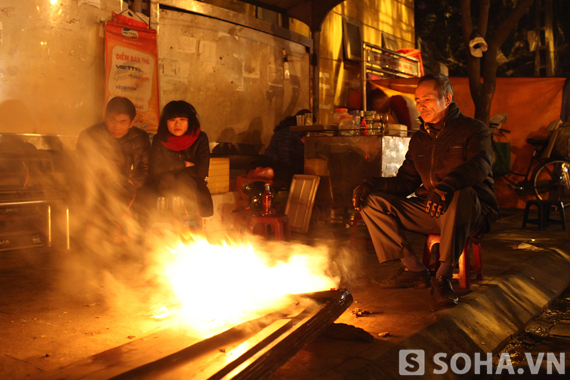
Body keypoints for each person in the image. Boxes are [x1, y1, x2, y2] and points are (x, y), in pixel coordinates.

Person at [353, 74, 499, 307]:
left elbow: (481, 165)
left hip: (472, 212)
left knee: (460, 192)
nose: (421, 105)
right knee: (371, 201)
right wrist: (373, 184)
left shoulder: (473, 130)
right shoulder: (419, 139)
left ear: (447, 99)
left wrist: (448, 186)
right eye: (418, 100)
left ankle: (442, 277)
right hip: (433, 209)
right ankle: (414, 269)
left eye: (428, 99)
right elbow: (406, 182)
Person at [76, 97, 151, 240]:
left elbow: (144, 168)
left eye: (122, 122)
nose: (116, 126)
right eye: (112, 120)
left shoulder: (141, 138)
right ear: (105, 118)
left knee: (133, 203)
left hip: (128, 187)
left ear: (132, 123)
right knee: (99, 206)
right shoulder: (89, 136)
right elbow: (82, 169)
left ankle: (122, 243)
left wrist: (132, 183)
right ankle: (97, 243)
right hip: (97, 187)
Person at [149, 100, 213, 225]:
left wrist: (171, 168)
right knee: (168, 178)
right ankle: (166, 225)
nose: (177, 124)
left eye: (182, 119)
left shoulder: (200, 138)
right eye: (172, 120)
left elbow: (201, 171)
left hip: (194, 191)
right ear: (165, 122)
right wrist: (183, 164)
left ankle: (192, 224)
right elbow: (155, 171)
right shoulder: (159, 139)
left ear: (190, 121)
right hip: (165, 190)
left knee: (184, 179)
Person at [257, 109, 311, 188]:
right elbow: (284, 158)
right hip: (273, 164)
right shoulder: (287, 132)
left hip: (283, 165)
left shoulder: (300, 134)